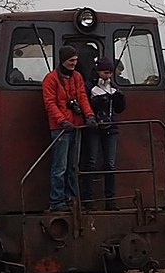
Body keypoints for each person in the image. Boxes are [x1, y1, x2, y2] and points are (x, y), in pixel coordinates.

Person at [42, 45, 96, 211]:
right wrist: (62, 121)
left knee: (73, 166)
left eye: (75, 60)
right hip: (61, 129)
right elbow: (50, 103)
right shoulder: (50, 79)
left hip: (76, 126)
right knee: (60, 166)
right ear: (64, 60)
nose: (74, 63)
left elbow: (82, 97)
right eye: (71, 60)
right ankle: (57, 201)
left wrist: (89, 115)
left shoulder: (77, 77)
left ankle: (71, 199)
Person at [83, 57, 127, 210]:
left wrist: (120, 100)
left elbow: (119, 109)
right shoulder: (89, 87)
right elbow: (84, 106)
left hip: (111, 128)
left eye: (110, 73)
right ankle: (88, 201)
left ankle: (111, 201)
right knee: (91, 163)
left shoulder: (114, 87)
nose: (107, 76)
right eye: (105, 72)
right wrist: (96, 104)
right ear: (98, 71)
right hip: (94, 129)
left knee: (110, 164)